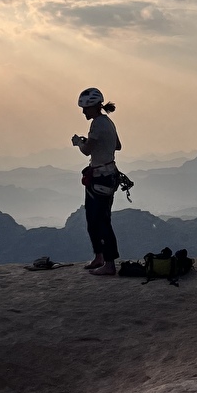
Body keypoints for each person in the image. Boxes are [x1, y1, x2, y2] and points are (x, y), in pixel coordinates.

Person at [72, 88, 121, 276]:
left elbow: (86, 151)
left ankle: (108, 263)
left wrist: (79, 142)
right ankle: (99, 257)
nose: (84, 112)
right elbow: (117, 145)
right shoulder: (108, 122)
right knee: (95, 219)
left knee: (100, 221)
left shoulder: (97, 124)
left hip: (100, 177)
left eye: (85, 108)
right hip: (108, 175)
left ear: (94, 107)